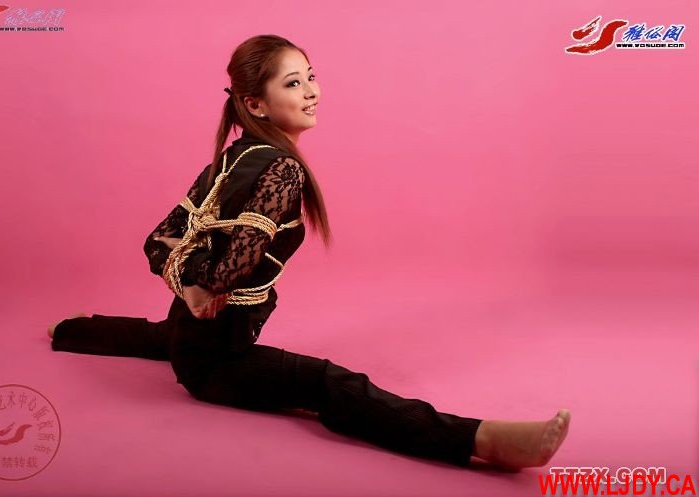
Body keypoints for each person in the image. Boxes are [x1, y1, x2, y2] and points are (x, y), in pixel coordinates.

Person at [48, 34, 571, 471]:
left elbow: (159, 240)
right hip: (216, 363)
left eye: (311, 77)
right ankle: (482, 439)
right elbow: (233, 268)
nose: (312, 91)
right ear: (255, 104)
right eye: (293, 83)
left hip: (194, 333)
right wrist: (202, 284)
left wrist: (188, 282)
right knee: (328, 383)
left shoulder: (233, 157)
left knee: (168, 336)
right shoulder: (280, 168)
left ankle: (71, 330)